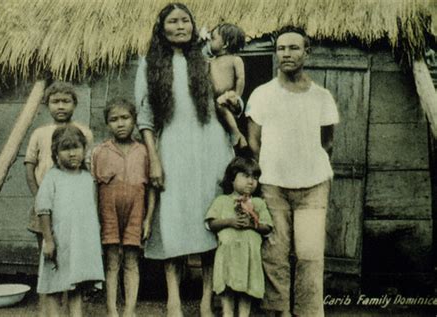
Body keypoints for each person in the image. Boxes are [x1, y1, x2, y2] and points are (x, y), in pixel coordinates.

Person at [134, 3, 235, 316]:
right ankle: (174, 300)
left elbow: (225, 99)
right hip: (173, 148)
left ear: (194, 26)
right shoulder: (148, 63)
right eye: (172, 21)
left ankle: (206, 300)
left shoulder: (207, 60)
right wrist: (154, 158)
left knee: (209, 219)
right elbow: (146, 117)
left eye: (185, 21)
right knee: (174, 221)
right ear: (161, 27)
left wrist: (235, 100)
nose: (180, 26)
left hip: (210, 148)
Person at [246, 26, 339, 317]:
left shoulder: (321, 96)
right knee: (275, 252)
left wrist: (308, 162)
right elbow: (253, 140)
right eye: (281, 48)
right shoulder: (262, 95)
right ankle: (280, 310)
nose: (286, 54)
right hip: (273, 184)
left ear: (306, 52)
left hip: (313, 184)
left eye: (294, 48)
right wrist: (270, 167)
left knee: (310, 254)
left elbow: (327, 141)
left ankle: (308, 312)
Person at [24, 81, 93, 316]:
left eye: (66, 101)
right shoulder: (39, 133)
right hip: (45, 205)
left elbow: (87, 165)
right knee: (49, 257)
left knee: (70, 258)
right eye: (55, 101)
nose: (61, 106)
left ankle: (68, 308)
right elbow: (29, 167)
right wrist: (38, 198)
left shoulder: (83, 132)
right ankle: (46, 309)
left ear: (75, 104)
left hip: (72, 207)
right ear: (47, 104)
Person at [91, 98, 156, 317]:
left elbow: (152, 189)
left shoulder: (145, 151)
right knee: (111, 262)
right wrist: (94, 219)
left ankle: (129, 310)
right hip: (108, 211)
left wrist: (148, 219)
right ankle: (111, 309)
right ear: (107, 124)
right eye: (114, 119)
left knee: (131, 260)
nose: (120, 124)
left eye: (125, 118)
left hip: (136, 211)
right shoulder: (100, 152)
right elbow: (94, 187)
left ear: (135, 120)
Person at [35, 125, 104, 317]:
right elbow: (43, 210)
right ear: (55, 152)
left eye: (76, 147)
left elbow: (92, 213)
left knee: (76, 285)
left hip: (80, 243)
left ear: (84, 149)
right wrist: (48, 241)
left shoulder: (87, 178)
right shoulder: (52, 178)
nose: (72, 153)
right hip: (59, 242)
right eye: (65, 149)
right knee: (54, 286)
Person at [206, 156, 272, 317]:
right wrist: (230, 221)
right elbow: (211, 224)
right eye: (246, 176)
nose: (251, 181)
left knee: (246, 289)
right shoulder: (222, 201)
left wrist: (252, 224)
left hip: (249, 256)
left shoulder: (258, 203)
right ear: (232, 178)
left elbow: (268, 227)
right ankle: (227, 314)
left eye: (255, 177)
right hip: (228, 255)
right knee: (227, 289)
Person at [208, 23, 247, 148]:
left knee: (220, 106)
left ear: (225, 44)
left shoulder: (235, 60)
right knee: (216, 107)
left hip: (228, 94)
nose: (209, 42)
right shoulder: (211, 61)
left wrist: (237, 95)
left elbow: (240, 78)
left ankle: (236, 132)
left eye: (213, 39)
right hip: (215, 97)